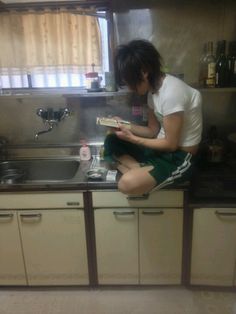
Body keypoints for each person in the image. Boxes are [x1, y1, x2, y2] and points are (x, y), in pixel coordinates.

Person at [104, 39, 202, 196]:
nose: (129, 87)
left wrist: (133, 139)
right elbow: (152, 130)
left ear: (144, 71)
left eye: (130, 81)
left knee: (126, 184)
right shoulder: (152, 91)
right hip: (159, 149)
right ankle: (139, 168)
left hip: (179, 158)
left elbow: (171, 145)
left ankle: (134, 169)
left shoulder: (172, 93)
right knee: (111, 140)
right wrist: (123, 124)